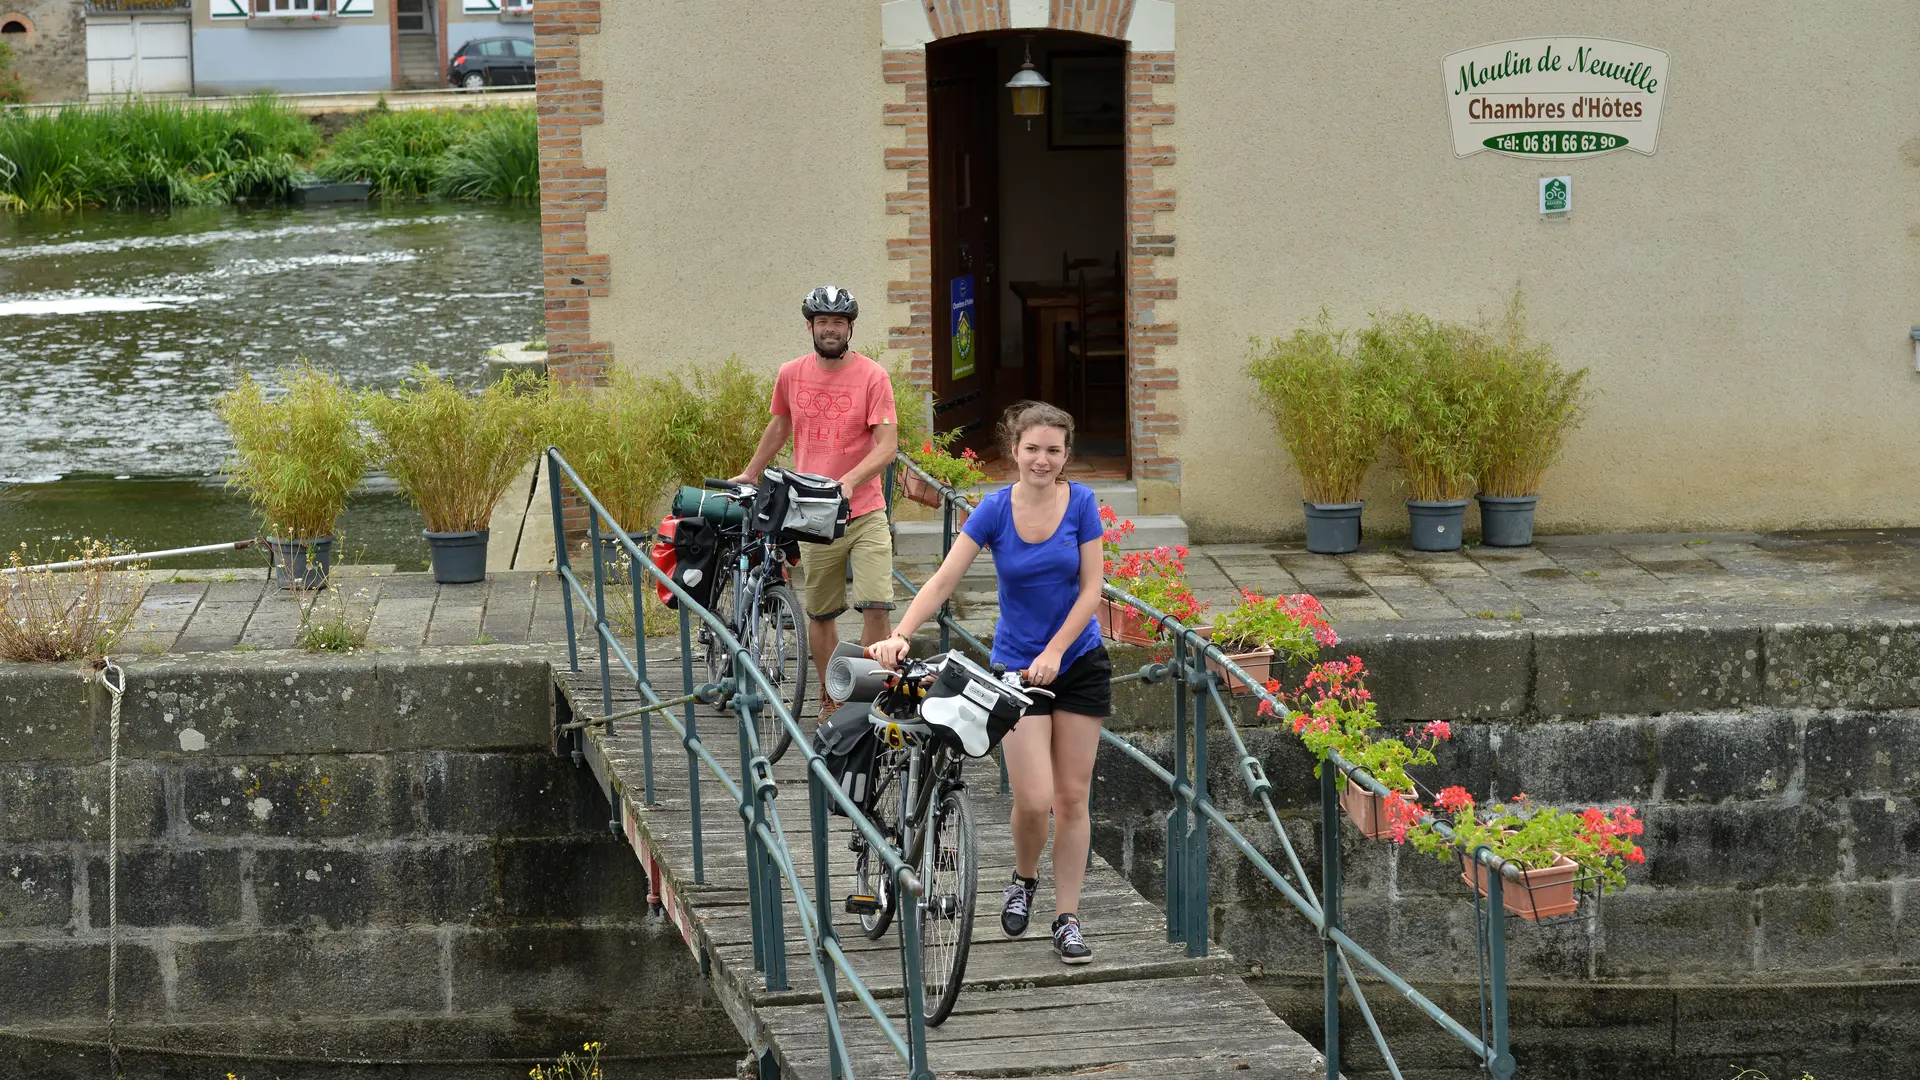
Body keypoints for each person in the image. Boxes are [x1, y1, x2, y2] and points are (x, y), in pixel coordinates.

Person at [867, 401, 1109, 965]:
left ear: (1066, 455)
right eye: (1033, 449)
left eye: (1054, 450)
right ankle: (1023, 879)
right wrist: (901, 633)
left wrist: (1057, 651)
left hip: (1078, 664)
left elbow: (1092, 590)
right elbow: (946, 577)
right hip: (1016, 671)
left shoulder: (1083, 504)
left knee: (1073, 798)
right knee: (1034, 798)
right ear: (1014, 451)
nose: (1042, 460)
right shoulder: (995, 510)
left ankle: (1067, 918)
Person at [732, 286, 898, 721]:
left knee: (876, 605)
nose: (830, 329)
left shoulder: (873, 376)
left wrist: (849, 481)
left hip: (864, 510)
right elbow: (780, 426)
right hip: (813, 514)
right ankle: (832, 698)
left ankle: (866, 700)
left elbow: (887, 447)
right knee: (822, 611)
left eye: (838, 323)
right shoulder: (791, 373)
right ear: (810, 326)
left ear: (850, 329)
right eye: (822, 322)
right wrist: (752, 471)